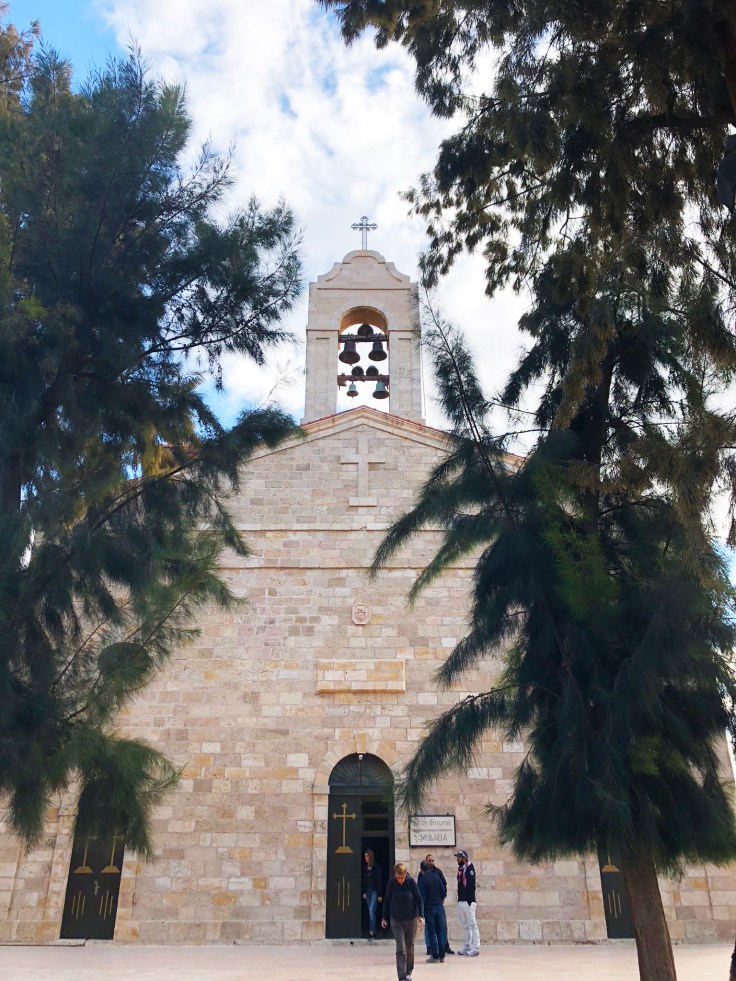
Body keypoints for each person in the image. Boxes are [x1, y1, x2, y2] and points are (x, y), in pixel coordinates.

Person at [381, 862, 424, 981]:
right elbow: (387, 900)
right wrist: (384, 918)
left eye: (402, 877)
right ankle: (401, 976)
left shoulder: (411, 882)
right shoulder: (392, 883)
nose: (400, 880)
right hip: (396, 919)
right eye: (398, 877)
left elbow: (419, 900)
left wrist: (421, 916)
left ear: (406, 875)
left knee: (409, 946)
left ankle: (409, 971)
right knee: (401, 947)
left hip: (410, 918)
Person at [417, 859, 447, 962]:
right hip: (439, 906)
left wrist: (420, 911)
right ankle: (442, 955)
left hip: (429, 908)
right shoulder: (437, 877)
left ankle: (435, 955)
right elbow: (443, 892)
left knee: (431, 932)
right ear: (429, 867)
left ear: (421, 869)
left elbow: (421, 897)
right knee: (440, 931)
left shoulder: (422, 880)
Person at [454, 849, 480, 957]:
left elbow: (471, 885)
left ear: (464, 858)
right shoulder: (461, 869)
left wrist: (470, 900)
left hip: (468, 901)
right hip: (461, 900)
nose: (457, 859)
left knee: (472, 924)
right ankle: (467, 946)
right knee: (465, 925)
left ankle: (476, 947)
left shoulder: (469, 868)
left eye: (459, 857)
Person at [362, 849, 383, 941]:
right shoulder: (364, 867)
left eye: (367, 856)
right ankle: (373, 930)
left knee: (371, 911)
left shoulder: (376, 867)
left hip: (374, 891)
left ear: (370, 857)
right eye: (365, 856)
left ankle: (372, 931)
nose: (365, 858)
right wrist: (363, 892)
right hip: (368, 891)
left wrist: (379, 894)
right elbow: (363, 881)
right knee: (370, 912)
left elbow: (379, 881)